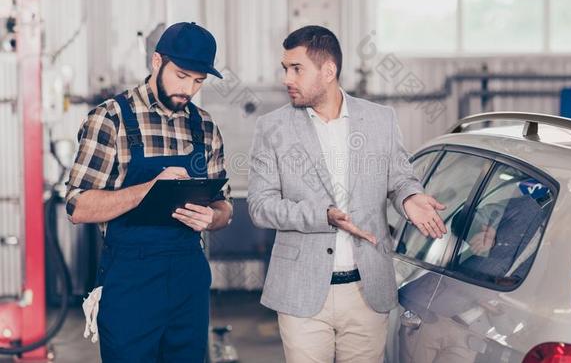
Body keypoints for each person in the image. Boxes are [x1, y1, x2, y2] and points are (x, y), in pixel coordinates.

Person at [247, 25, 446, 363]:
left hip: (366, 290)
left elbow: (400, 179)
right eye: (285, 68)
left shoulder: (380, 119)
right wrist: (322, 214)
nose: (286, 79)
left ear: (328, 71)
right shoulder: (272, 128)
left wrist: (410, 197)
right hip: (301, 293)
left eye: (296, 69)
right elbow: (260, 206)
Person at [65, 22, 233, 362]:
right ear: (157, 61)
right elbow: (78, 206)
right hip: (131, 279)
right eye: (182, 75)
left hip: (188, 274)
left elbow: (225, 205)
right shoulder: (110, 119)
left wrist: (214, 217)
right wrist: (149, 189)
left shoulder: (204, 126)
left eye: (198, 81)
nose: (189, 89)